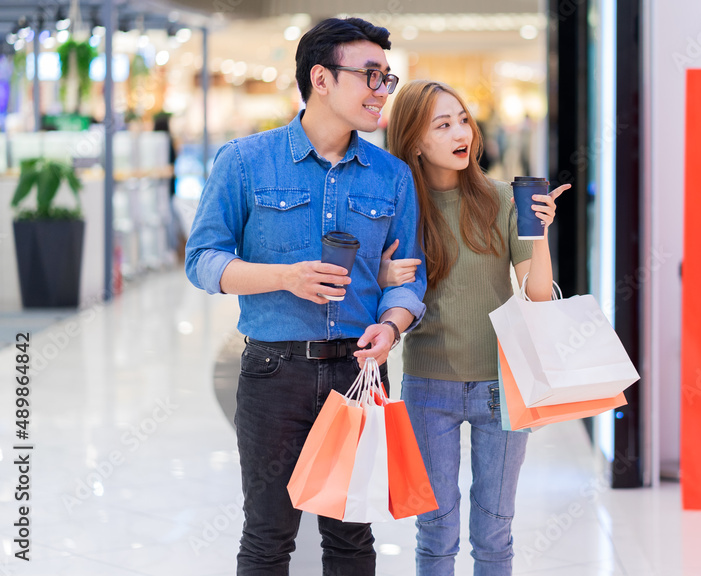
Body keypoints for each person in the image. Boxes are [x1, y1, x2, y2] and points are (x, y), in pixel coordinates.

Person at [184, 17, 426, 576]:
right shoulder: (245, 162)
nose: (380, 90)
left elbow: (411, 278)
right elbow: (203, 261)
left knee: (351, 539)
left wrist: (390, 326)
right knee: (268, 537)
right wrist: (284, 277)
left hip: (359, 377)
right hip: (274, 375)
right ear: (320, 78)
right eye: (369, 75)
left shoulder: (391, 177)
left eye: (386, 79)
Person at [383, 80, 569, 576]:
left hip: (500, 388)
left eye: (462, 119)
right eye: (442, 125)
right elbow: (379, 292)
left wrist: (540, 235)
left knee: (493, 534)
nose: (460, 132)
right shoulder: (403, 212)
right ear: (414, 142)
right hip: (427, 385)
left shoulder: (502, 199)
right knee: (436, 536)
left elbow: (535, 294)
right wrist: (382, 276)